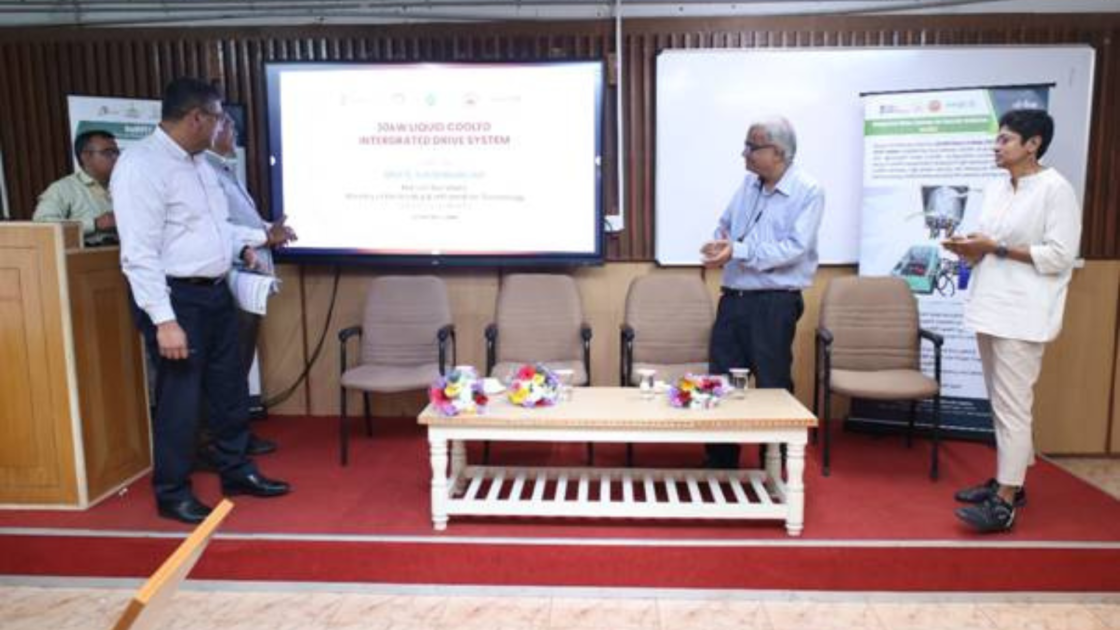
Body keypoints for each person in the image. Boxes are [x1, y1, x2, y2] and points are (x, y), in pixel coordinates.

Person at [112, 77, 290, 525]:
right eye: (218, 117)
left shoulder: (201, 166)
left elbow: (213, 230)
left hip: (215, 292)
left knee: (230, 389)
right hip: (176, 299)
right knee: (181, 399)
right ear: (196, 117)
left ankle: (236, 470)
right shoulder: (141, 167)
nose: (221, 126)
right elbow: (138, 253)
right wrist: (164, 321)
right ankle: (172, 491)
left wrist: (250, 242)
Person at [943, 109, 1081, 533]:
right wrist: (969, 247)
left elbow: (1060, 256)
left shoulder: (1056, 190)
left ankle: (1005, 501)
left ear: (1033, 144)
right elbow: (990, 242)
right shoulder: (997, 187)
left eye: (1005, 139)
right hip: (990, 305)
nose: (996, 146)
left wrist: (995, 248)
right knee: (1001, 404)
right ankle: (1010, 482)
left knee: (1013, 406)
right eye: (997, 138)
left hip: (1024, 313)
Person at [699, 116, 825, 469]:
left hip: (774, 301)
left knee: (772, 385)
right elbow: (726, 225)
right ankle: (721, 462)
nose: (745, 153)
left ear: (778, 152)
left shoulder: (808, 190)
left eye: (752, 147)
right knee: (720, 382)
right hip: (733, 298)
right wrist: (720, 244)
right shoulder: (748, 184)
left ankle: (778, 466)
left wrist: (738, 251)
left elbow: (794, 249)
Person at [198, 110, 297, 460]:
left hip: (247, 280)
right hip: (229, 280)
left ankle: (236, 435)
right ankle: (214, 442)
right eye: (226, 124)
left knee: (238, 366)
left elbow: (241, 222)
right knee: (227, 368)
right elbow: (217, 228)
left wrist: (269, 228)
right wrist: (264, 236)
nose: (233, 130)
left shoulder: (224, 169)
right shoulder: (203, 172)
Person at [33, 130, 120, 246]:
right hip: (88, 254)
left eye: (117, 152)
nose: (116, 158)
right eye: (108, 153)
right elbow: (42, 225)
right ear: (86, 157)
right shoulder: (63, 189)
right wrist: (94, 224)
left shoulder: (126, 185)